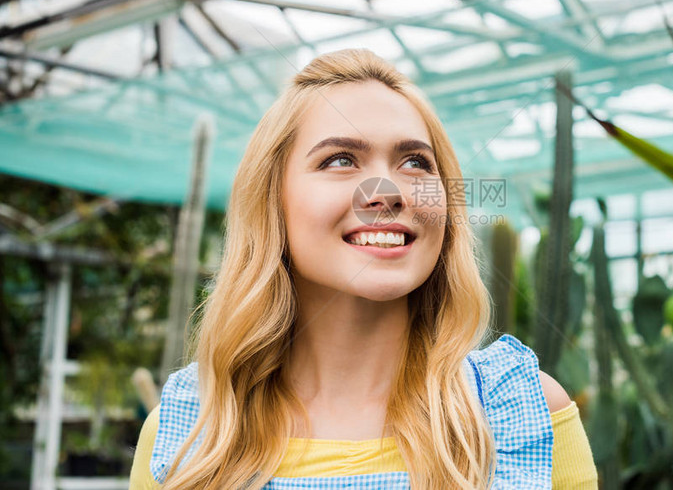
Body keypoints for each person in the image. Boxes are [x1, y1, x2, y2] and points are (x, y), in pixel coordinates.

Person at [130, 49, 598, 489]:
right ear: (273, 201)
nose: (388, 190)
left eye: (416, 162)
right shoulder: (188, 431)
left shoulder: (524, 413)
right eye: (340, 159)